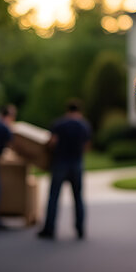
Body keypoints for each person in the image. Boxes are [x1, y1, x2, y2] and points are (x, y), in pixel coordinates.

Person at [38, 99, 92, 240]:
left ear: (67, 110)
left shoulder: (59, 124)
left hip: (60, 162)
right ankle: (80, 229)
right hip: (76, 163)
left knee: (54, 197)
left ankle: (49, 229)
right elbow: (87, 146)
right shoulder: (84, 125)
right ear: (79, 111)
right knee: (78, 197)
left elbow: (52, 142)